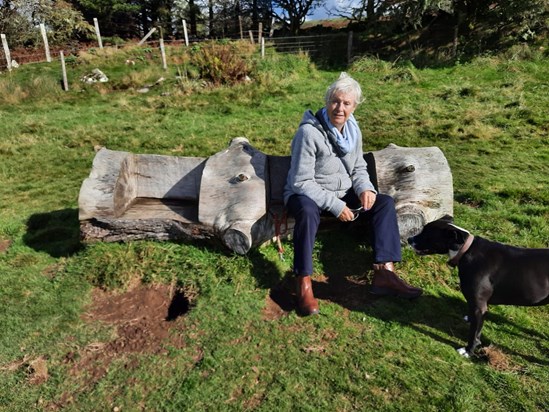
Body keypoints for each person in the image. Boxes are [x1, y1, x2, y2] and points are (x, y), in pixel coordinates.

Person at [283, 73, 423, 316]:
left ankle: (384, 273)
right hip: (305, 192)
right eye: (335, 101)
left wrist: (365, 188)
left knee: (384, 203)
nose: (340, 108)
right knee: (306, 211)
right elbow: (300, 181)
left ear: (354, 106)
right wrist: (336, 206)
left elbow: (358, 167)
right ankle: (303, 282)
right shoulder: (309, 133)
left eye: (347, 103)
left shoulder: (353, 130)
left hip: (341, 191)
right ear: (327, 101)